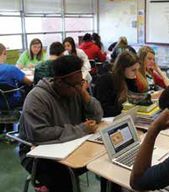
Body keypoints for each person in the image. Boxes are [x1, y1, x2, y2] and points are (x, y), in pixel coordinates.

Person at [18, 55, 103, 192]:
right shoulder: (37, 98)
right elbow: (38, 134)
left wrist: (84, 93)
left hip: (69, 145)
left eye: (80, 82)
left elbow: (97, 116)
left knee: (104, 162)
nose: (78, 88)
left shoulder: (75, 91)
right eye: (74, 85)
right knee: (63, 179)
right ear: (58, 81)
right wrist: (82, 129)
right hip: (37, 155)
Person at [94, 51, 141, 117]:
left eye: (137, 70)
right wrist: (124, 109)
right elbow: (104, 109)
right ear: (122, 69)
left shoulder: (129, 78)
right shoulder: (105, 80)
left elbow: (135, 100)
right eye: (133, 70)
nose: (136, 73)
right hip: (109, 118)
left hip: (124, 116)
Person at [0, 43, 33, 133]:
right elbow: (29, 82)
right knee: (27, 90)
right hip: (12, 101)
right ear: (4, 53)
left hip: (1, 102)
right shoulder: (11, 69)